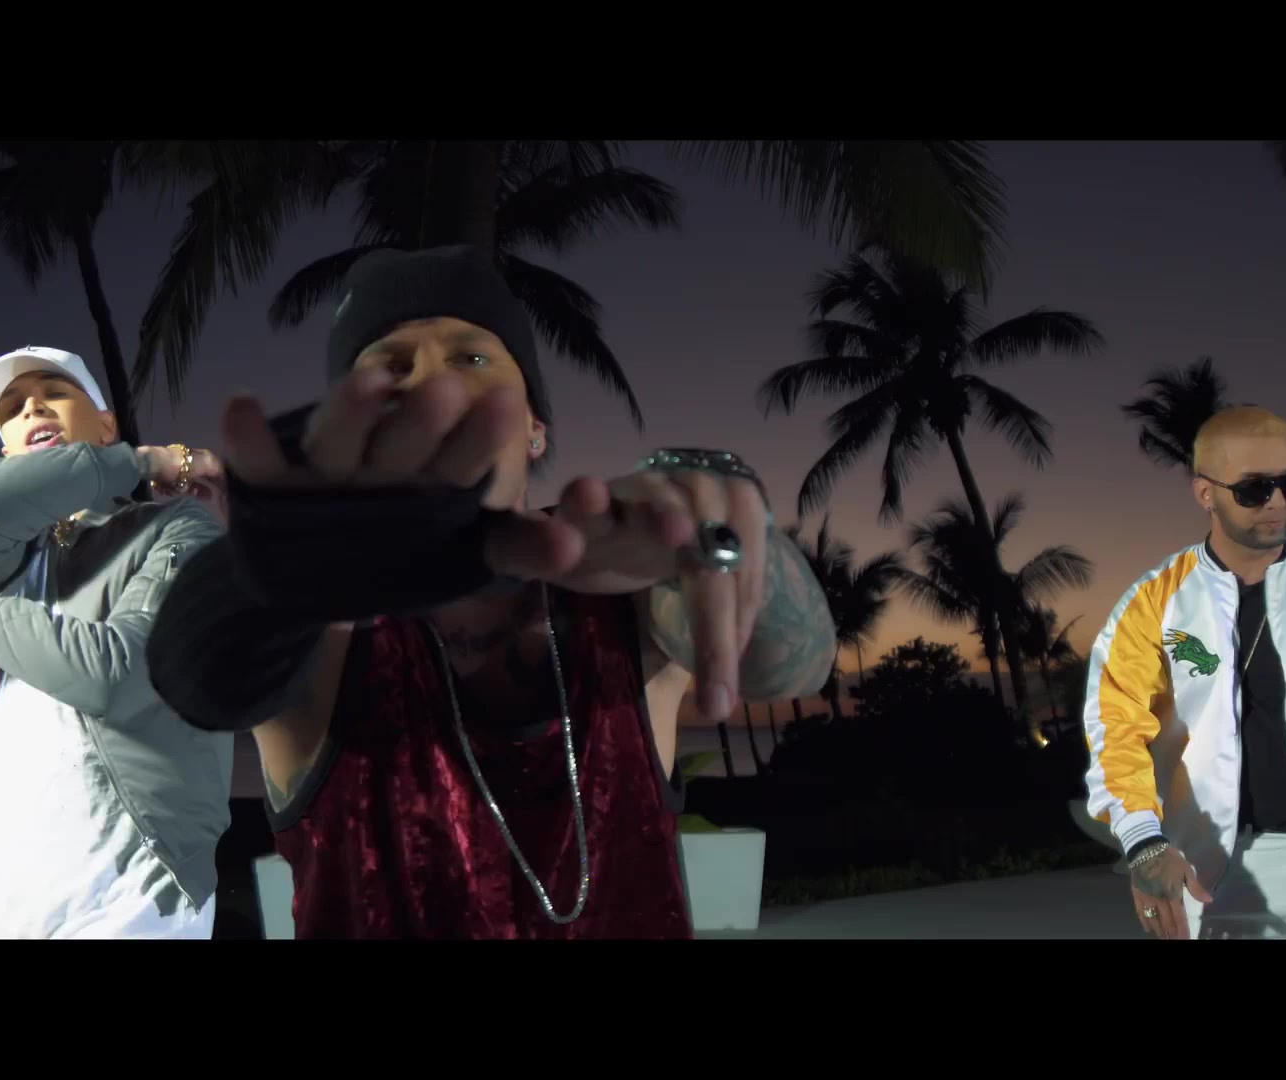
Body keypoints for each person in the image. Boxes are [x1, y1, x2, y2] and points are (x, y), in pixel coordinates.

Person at [146, 246, 837, 939]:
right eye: (390, 367)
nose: (431, 383)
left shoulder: (625, 591)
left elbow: (790, 665)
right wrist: (283, 554)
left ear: (535, 429)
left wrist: (708, 533)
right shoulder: (329, 626)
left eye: (471, 357)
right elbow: (203, 675)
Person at [0, 346, 232, 939]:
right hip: (0, 895)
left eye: (54, 392)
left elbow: (118, 674)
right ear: (6, 452)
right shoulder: (1, 565)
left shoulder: (178, 529)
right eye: (13, 409)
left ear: (105, 426)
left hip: (135, 888)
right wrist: (147, 458)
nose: (32, 408)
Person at [1084, 405, 1286, 940]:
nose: (1278, 502)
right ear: (1206, 493)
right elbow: (1116, 729)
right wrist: (1144, 844)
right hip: (1218, 873)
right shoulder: (1152, 602)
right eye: (1255, 489)